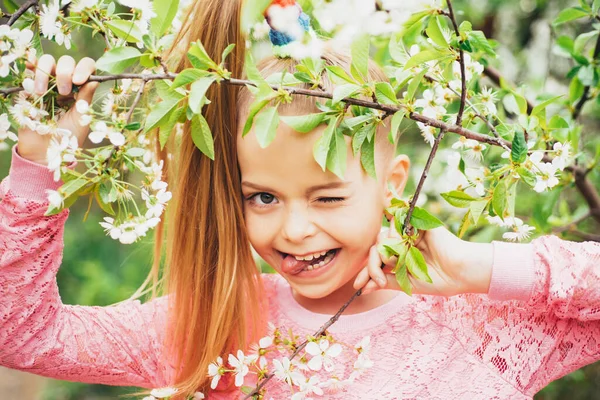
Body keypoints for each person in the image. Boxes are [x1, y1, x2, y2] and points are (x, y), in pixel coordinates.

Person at [1, 0, 599, 399]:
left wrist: (479, 267)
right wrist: (38, 165)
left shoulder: (482, 320)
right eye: (262, 197)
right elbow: (22, 334)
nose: (292, 230)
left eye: (327, 197)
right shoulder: (218, 327)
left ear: (392, 183)